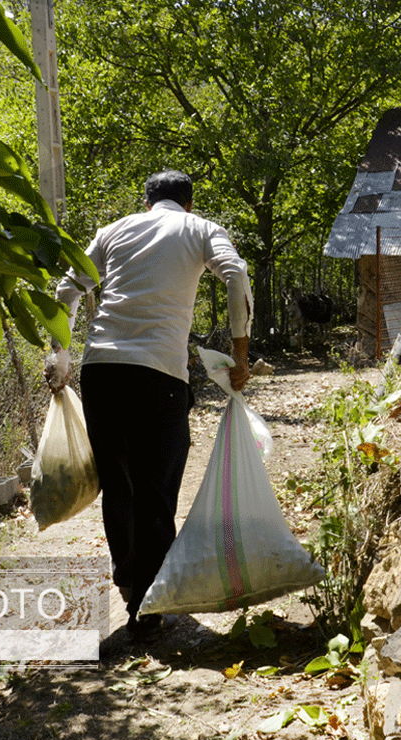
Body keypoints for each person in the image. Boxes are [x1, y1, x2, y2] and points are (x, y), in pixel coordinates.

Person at [44, 169, 253, 639]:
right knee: (156, 488)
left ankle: (128, 581)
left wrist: (60, 354)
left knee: (118, 482)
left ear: (147, 203)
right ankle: (150, 601)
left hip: (102, 371)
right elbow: (235, 273)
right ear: (189, 205)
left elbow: (66, 289)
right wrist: (239, 352)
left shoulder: (113, 231)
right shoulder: (200, 230)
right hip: (159, 374)